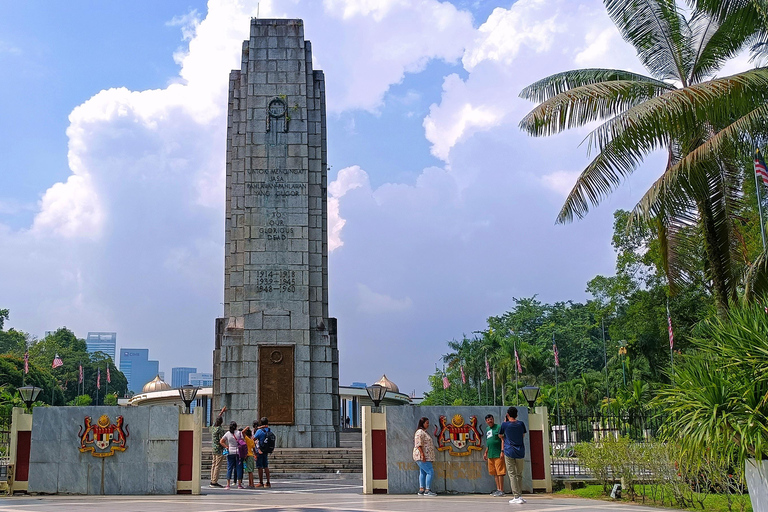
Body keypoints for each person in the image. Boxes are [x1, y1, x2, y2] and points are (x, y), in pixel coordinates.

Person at [499, 406, 527, 504]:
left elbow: (500, 435)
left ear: (507, 415)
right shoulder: (521, 424)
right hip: (520, 451)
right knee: (519, 474)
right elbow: (523, 435)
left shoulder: (504, 425)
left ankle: (516, 496)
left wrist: (505, 422)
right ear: (517, 415)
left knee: (512, 474)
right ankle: (520, 495)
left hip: (509, 451)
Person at [413, 417, 437, 496]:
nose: (428, 425)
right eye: (427, 423)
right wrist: (422, 455)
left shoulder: (424, 432)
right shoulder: (420, 432)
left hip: (426, 456)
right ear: (422, 423)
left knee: (423, 472)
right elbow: (418, 444)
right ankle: (427, 490)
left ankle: (421, 489)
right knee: (430, 471)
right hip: (422, 456)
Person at [483, 413, 506, 496]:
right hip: (490, 454)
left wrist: (502, 451)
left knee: (500, 472)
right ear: (486, 421)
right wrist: (486, 452)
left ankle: (502, 490)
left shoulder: (498, 427)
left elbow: (503, 440)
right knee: (494, 473)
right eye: (488, 420)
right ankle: (498, 489)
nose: (490, 421)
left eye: (491, 419)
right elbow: (489, 442)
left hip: (498, 453)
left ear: (493, 419)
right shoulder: (487, 429)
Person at [219, 421, 244, 489]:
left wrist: (226, 447)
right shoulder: (239, 433)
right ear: (236, 426)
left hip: (230, 452)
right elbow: (242, 441)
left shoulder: (228, 433)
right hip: (238, 452)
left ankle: (228, 484)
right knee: (239, 468)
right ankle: (239, 484)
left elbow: (221, 441)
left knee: (229, 468)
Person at [209, 406, 227, 488]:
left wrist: (221, 412)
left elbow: (217, 418)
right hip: (219, 449)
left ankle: (212, 479)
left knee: (213, 464)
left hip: (214, 448)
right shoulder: (220, 429)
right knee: (217, 465)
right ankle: (214, 481)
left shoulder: (213, 427)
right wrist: (226, 446)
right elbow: (221, 440)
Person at [253, 417, 272, 487]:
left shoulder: (259, 431)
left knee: (260, 467)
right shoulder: (269, 430)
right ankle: (268, 482)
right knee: (266, 466)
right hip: (266, 450)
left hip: (259, 450)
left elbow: (253, 439)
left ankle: (261, 482)